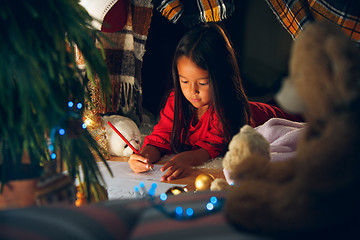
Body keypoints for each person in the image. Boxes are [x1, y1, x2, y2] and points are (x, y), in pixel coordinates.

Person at [128, 23, 302, 181]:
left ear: (221, 79)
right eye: (184, 81)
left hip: (278, 117)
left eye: (202, 83)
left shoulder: (226, 108)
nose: (192, 90)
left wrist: (187, 158)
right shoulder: (176, 101)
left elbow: (212, 148)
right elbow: (161, 137)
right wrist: (144, 156)